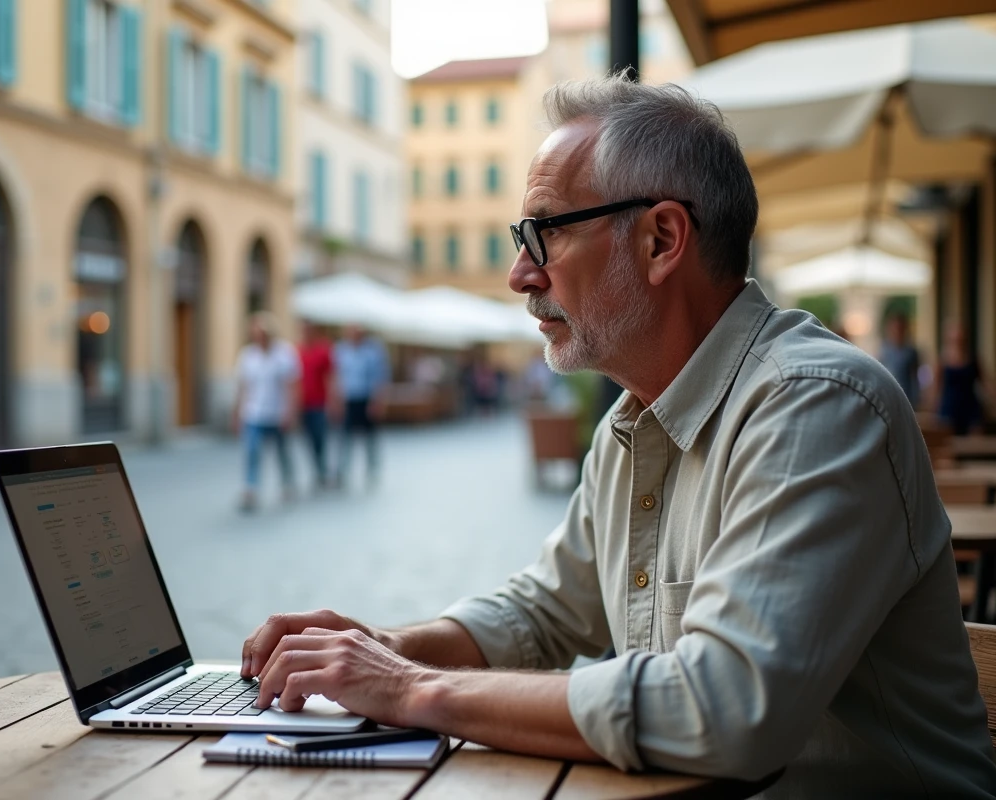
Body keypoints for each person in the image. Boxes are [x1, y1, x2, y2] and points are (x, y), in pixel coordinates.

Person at [236, 75, 996, 797]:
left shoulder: (816, 408)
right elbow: (542, 611)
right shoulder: (635, 420)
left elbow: (724, 710)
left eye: (544, 234)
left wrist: (411, 690)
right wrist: (381, 649)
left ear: (662, 239)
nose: (519, 274)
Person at [232, 312, 299, 512]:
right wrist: (236, 414)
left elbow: (291, 386)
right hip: (253, 413)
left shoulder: (284, 354)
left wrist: (291, 412)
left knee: (282, 452)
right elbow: (243, 387)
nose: (260, 336)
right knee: (252, 451)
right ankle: (250, 489)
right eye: (256, 332)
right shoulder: (247, 355)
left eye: (263, 332)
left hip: (277, 413)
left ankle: (287, 483)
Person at [332, 325, 390, 488]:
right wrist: (336, 401)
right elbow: (336, 376)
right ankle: (342, 471)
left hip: (366, 399)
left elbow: (380, 377)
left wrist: (378, 401)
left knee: (370, 438)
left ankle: (372, 470)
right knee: (345, 438)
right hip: (348, 399)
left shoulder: (373, 351)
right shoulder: (341, 350)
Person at [297, 321, 334, 489]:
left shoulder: (323, 349)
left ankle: (322, 470)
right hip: (303, 403)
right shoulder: (297, 350)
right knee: (309, 439)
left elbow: (331, 377)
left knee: (320, 437)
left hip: (320, 403)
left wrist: (334, 401)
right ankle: (318, 470)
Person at [936, 321, 985, 436]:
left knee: (975, 443)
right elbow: (936, 387)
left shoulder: (973, 359)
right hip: (949, 408)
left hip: (970, 407)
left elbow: (985, 383)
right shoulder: (943, 360)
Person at [878, 311, 921, 409]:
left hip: (907, 396)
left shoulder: (911, 352)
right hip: (888, 395)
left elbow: (915, 377)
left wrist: (917, 398)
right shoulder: (884, 350)